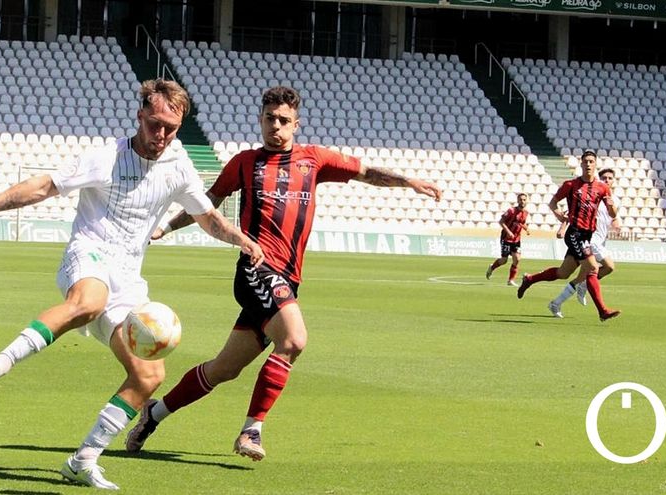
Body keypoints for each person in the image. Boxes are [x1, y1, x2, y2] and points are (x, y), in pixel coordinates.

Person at [0, 79, 265, 490]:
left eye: (171, 128)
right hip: (89, 254)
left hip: (128, 278)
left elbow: (208, 218)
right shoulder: (105, 157)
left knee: (149, 376)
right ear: (140, 116)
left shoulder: (179, 167)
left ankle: (83, 459)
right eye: (155, 124)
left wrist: (240, 239)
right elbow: (45, 185)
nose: (162, 135)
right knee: (89, 301)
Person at [124, 85, 443, 462]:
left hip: (287, 280)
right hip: (256, 269)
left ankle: (154, 414)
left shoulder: (315, 160)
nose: (275, 126)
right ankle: (251, 430)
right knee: (293, 339)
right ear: (260, 120)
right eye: (269, 119)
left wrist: (408, 182)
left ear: (296, 124)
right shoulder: (244, 163)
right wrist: (165, 228)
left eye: (283, 120)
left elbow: (365, 171)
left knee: (223, 369)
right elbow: (207, 203)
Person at [516, 150, 620, 321]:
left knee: (563, 273)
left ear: (595, 164)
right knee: (593, 268)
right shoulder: (571, 185)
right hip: (575, 233)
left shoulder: (602, 188)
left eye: (591, 161)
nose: (588, 164)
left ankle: (530, 279)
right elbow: (553, 203)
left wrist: (611, 206)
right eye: (585, 161)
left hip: (587, 235)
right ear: (581, 164)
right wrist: (560, 217)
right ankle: (602, 311)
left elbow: (613, 213)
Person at [548, 168, 621, 318]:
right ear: (599, 179)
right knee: (607, 267)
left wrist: (616, 221)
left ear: (614, 181)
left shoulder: (613, 199)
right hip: (588, 240)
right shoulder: (595, 194)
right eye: (604, 178)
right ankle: (601, 309)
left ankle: (556, 302)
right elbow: (572, 213)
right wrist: (562, 227)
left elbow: (613, 215)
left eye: (610, 178)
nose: (607, 180)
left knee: (568, 273)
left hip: (599, 241)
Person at [486, 192, 530, 286]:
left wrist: (526, 228)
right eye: (521, 199)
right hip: (506, 238)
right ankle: (492, 267)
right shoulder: (511, 211)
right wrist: (509, 232)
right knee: (504, 260)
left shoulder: (526, 213)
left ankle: (510, 280)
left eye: (524, 200)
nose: (522, 201)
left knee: (517, 259)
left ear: (526, 201)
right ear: (517, 200)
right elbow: (501, 221)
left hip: (517, 239)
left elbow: (521, 222)